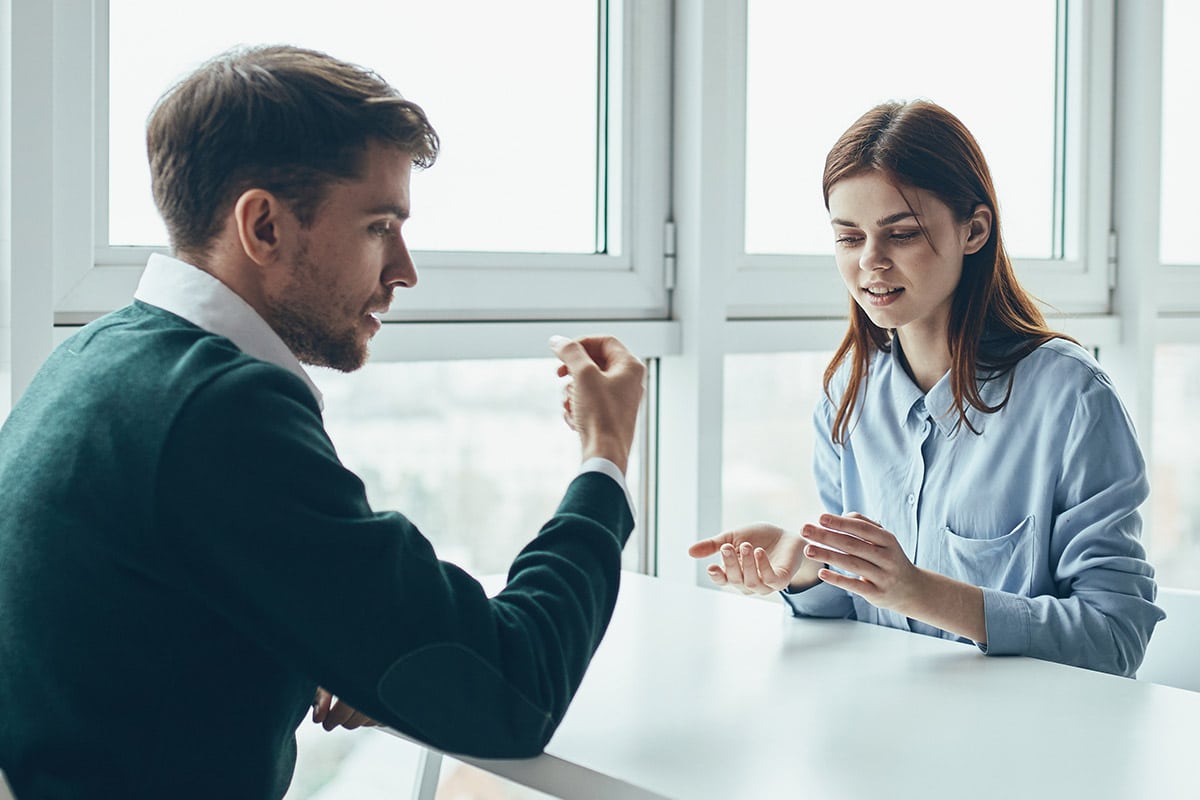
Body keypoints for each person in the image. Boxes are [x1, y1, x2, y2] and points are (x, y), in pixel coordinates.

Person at [0, 45, 646, 799]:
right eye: (379, 226)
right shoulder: (221, 414)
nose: (403, 269)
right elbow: (512, 690)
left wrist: (318, 641)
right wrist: (605, 453)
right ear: (264, 226)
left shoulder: (96, 358)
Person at [689, 100, 1162, 677]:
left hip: (1028, 744)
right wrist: (806, 565)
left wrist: (917, 591)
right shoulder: (847, 395)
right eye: (848, 237)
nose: (871, 262)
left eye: (902, 233)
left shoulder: (1072, 398)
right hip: (885, 732)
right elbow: (853, 607)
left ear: (975, 230)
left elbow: (1115, 640)